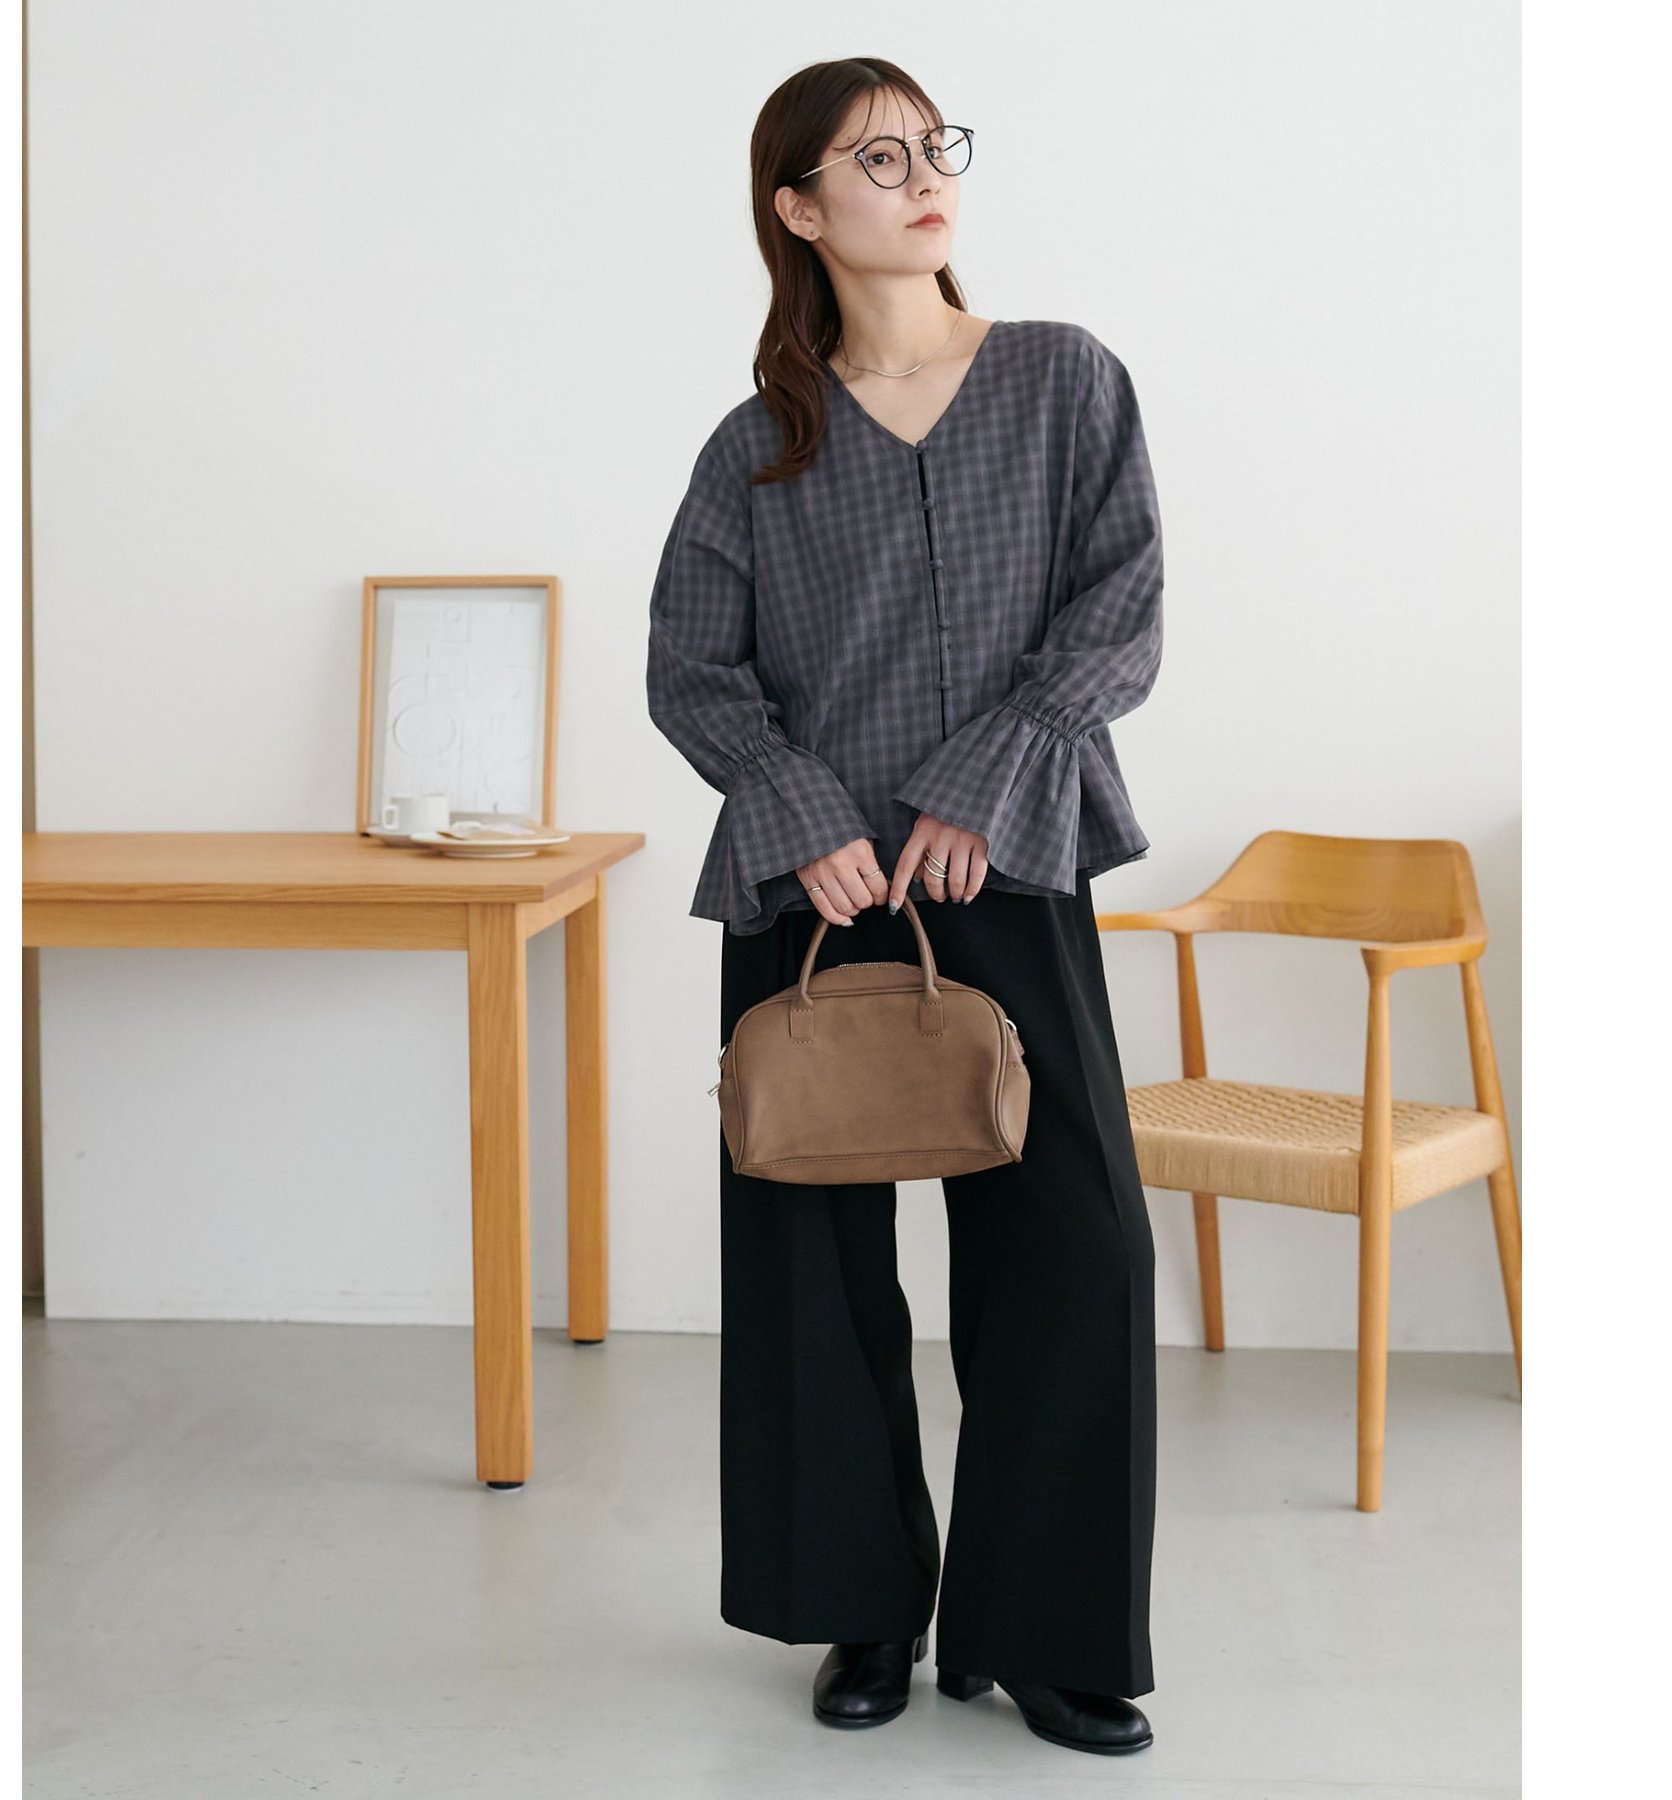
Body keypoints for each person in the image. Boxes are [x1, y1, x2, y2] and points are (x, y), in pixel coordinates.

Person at [645, 57, 1164, 1757]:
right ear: (799, 208)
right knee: (811, 1265)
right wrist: (802, 816)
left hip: (1004, 863)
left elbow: (1120, 611)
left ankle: (1046, 1627)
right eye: (877, 157)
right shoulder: (756, 446)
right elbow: (692, 669)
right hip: (813, 895)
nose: (924, 174)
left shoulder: (1064, 381)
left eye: (933, 144)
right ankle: (860, 1609)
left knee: (1074, 1247)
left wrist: (987, 778)